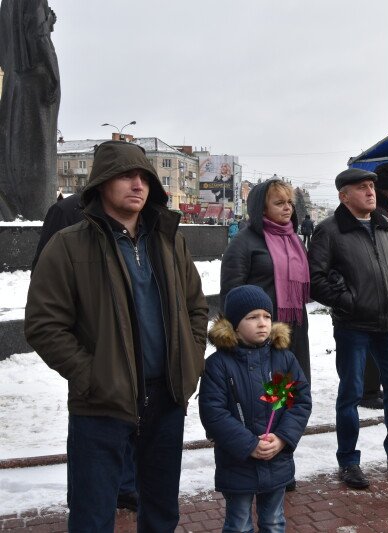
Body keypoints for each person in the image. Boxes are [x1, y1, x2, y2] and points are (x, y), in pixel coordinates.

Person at [24, 140, 208, 530]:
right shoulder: (69, 244)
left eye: (144, 177)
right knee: (92, 516)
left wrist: (189, 364)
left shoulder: (170, 240)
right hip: (101, 405)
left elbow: (196, 307)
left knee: (161, 513)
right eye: (126, 175)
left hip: (166, 397)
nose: (138, 185)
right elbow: (44, 323)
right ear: (102, 182)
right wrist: (92, 376)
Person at [308, 168, 388, 489]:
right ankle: (348, 461)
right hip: (353, 327)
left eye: (372, 186)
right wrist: (348, 302)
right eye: (362, 187)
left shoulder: (385, 224)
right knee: (350, 395)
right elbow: (315, 278)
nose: (371, 192)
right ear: (344, 196)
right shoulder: (329, 230)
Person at [31, 191, 139, 512]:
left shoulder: (136, 213)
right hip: (92, 340)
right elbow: (44, 275)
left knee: (132, 417)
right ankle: (85, 495)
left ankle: (126, 485)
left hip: (133, 338)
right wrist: (83, 365)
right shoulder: (67, 210)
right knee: (90, 427)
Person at [199, 285, 311, 533]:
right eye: (252, 317)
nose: (262, 323)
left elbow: (298, 401)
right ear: (234, 325)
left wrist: (282, 438)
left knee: (274, 522)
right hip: (237, 462)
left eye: (267, 316)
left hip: (276, 461)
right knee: (239, 524)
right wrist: (249, 445)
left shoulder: (282, 359)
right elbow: (214, 413)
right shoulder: (218, 365)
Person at [221, 179, 311, 387]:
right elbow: (230, 292)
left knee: (294, 388)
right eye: (279, 203)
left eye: (289, 202)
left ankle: (294, 409)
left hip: (295, 325)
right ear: (261, 208)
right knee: (266, 392)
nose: (287, 208)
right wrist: (240, 334)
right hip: (260, 330)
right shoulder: (243, 242)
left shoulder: (295, 240)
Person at [361, 162, 388, 410]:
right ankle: (368, 391)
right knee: (373, 342)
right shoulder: (382, 215)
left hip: (377, 292)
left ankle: (370, 388)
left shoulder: (380, 212)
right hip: (376, 294)